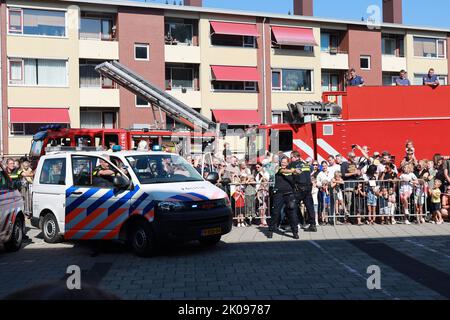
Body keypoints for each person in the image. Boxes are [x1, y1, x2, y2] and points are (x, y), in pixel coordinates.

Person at [267, 157, 300, 239]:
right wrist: (293, 171)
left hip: (289, 194)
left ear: (288, 163)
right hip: (279, 194)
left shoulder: (291, 169)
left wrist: (297, 172)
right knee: (275, 212)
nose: (283, 163)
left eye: (285, 162)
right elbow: (282, 171)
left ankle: (295, 232)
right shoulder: (278, 168)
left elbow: (297, 174)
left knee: (292, 213)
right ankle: (270, 230)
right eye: (282, 162)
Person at [288, 151, 317, 232]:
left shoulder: (292, 164)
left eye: (291, 157)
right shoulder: (306, 164)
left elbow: (288, 175)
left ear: (296, 157)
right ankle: (313, 225)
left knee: (292, 205)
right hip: (308, 188)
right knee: (309, 207)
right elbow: (310, 172)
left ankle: (294, 225)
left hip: (299, 189)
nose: (291, 159)